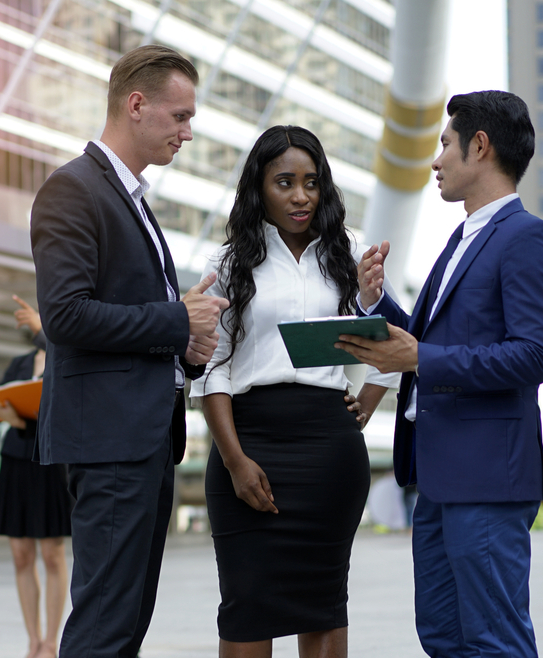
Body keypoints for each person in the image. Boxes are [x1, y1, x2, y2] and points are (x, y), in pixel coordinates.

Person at [337, 90, 543, 657]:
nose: (435, 160)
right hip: (439, 475)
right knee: (442, 633)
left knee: (494, 639)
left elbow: (535, 355)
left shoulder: (527, 238)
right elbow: (428, 339)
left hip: (487, 476)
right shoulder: (461, 238)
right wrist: (376, 303)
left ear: (480, 147)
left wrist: (419, 358)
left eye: (445, 145)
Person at [29, 44, 227, 658]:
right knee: (104, 625)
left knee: (126, 620)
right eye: (179, 117)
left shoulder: (132, 197)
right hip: (111, 441)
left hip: (140, 439)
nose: (188, 133)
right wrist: (174, 318)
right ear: (136, 105)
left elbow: (132, 323)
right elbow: (64, 316)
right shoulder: (73, 190)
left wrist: (188, 341)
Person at [191, 125, 395, 658]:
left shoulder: (349, 253)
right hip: (247, 441)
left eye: (311, 182)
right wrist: (234, 461)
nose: (301, 196)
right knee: (246, 609)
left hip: (329, 451)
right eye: (285, 182)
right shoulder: (228, 262)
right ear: (259, 188)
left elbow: (391, 346)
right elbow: (211, 368)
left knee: (324, 605)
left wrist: (364, 405)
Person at [0, 295, 71, 658]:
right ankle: (33, 639)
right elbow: (1, 404)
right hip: (17, 457)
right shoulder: (18, 364)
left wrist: (43, 327)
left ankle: (51, 641)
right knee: (20, 554)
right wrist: (8, 416)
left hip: (52, 459)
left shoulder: (67, 356)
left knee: (52, 553)